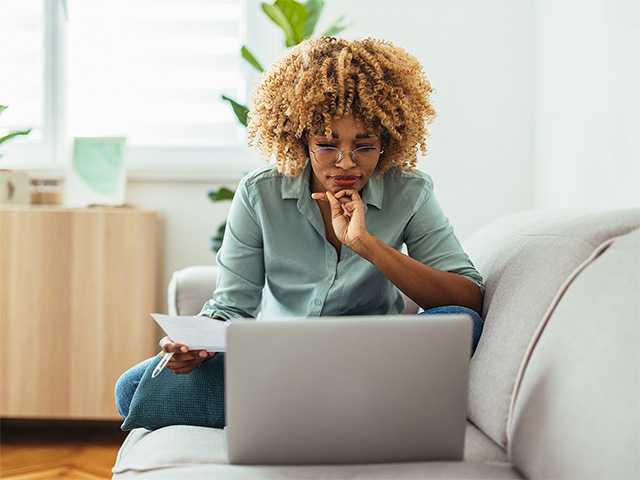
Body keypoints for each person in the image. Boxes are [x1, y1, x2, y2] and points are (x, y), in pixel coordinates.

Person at [115, 36, 485, 419]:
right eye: (327, 145)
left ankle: (299, 410)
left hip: (370, 359)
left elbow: (467, 301)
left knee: (463, 324)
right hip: (278, 360)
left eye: (364, 146)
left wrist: (366, 244)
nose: (345, 163)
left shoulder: (409, 191)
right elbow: (231, 306)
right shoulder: (261, 192)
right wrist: (195, 345)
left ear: (387, 142)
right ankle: (343, 410)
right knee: (131, 390)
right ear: (300, 139)